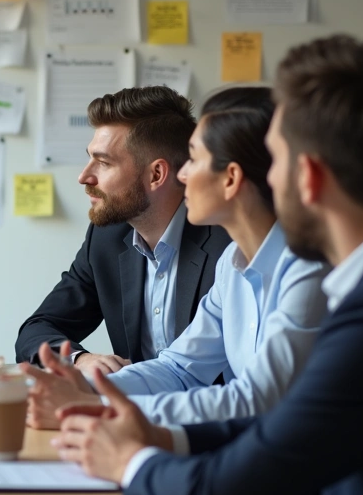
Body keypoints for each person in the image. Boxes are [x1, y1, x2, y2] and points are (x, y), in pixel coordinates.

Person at [51, 36, 363, 495]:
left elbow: (226, 481)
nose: (267, 179)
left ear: (308, 176)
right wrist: (140, 425)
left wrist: (129, 459)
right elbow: (280, 423)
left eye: (275, 160)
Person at [23, 87, 328, 427]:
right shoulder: (232, 263)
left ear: (230, 179)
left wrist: (95, 406)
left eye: (194, 159)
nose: (182, 174)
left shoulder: (309, 268)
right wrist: (85, 388)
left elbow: (259, 400)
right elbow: (180, 368)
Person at [15, 86, 232, 376]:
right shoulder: (106, 239)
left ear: (156, 174)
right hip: (128, 399)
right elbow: (36, 330)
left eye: (104, 163)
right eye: (90, 158)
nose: (84, 176)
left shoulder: (227, 243)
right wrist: (80, 360)